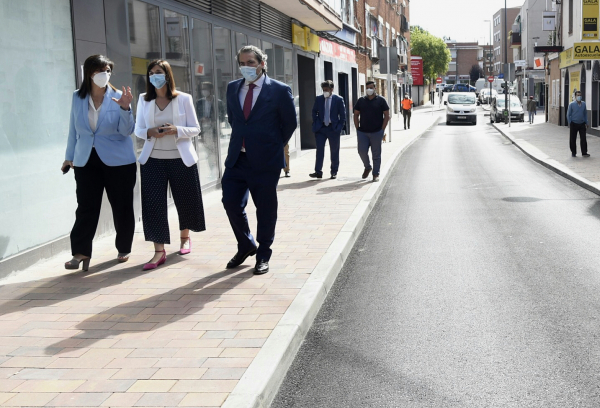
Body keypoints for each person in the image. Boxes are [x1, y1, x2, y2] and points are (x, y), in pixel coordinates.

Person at [222, 45, 297, 275]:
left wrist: (272, 145)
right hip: (238, 159)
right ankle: (246, 244)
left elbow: (290, 123)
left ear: (262, 63)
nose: (246, 67)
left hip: (265, 161)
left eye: (251, 63)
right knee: (231, 202)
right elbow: (235, 120)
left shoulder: (279, 90)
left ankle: (263, 253)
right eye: (242, 63)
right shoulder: (233, 87)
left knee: (265, 209)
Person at [62, 54, 136, 271]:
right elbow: (73, 130)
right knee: (86, 207)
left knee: (121, 206)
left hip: (119, 161)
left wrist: (125, 109)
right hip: (86, 159)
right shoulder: (78, 97)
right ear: (90, 74)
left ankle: (124, 247)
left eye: (108, 70)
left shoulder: (121, 96)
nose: (105, 74)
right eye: (100, 70)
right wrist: (69, 157)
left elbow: (127, 131)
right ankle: (80, 252)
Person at [134, 59, 206, 270]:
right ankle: (158, 252)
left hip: (180, 159)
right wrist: (149, 132)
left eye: (159, 72)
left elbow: (195, 128)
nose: (154, 76)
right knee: (154, 206)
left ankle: (185, 237)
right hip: (152, 160)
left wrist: (178, 129)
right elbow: (138, 129)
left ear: (167, 75)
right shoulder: (143, 100)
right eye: (151, 73)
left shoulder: (183, 98)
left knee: (185, 200)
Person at [309, 80, 347, 179]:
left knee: (334, 151)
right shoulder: (319, 99)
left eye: (326, 90)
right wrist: (316, 122)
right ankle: (318, 171)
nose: (324, 91)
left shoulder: (338, 99)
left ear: (331, 89)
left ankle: (334, 171)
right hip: (321, 128)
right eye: (323, 90)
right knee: (319, 150)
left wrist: (338, 128)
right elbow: (314, 111)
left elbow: (343, 116)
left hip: (333, 129)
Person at [353, 81, 390, 183]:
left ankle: (375, 174)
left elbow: (387, 115)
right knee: (361, 151)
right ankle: (367, 167)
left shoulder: (381, 100)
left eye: (371, 87)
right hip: (363, 132)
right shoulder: (361, 101)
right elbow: (356, 114)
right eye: (367, 88)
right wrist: (357, 128)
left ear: (375, 88)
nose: (369, 89)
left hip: (377, 132)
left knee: (376, 154)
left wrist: (382, 129)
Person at [196, 82, 225, 179]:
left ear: (211, 90)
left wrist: (212, 120)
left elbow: (222, 117)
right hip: (204, 131)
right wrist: (201, 119)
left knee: (215, 152)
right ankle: (212, 172)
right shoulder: (199, 102)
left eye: (206, 89)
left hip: (214, 130)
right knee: (208, 153)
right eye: (202, 89)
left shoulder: (218, 102)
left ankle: (217, 172)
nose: (204, 91)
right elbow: (196, 116)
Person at [566, 90, 590, 158]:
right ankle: (573, 152)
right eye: (578, 95)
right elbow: (568, 114)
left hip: (582, 123)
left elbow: (585, 114)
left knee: (583, 138)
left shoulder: (583, 104)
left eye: (580, 95)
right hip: (574, 124)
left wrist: (586, 122)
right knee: (573, 139)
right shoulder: (571, 104)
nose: (579, 96)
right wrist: (570, 122)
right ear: (575, 96)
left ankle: (584, 152)